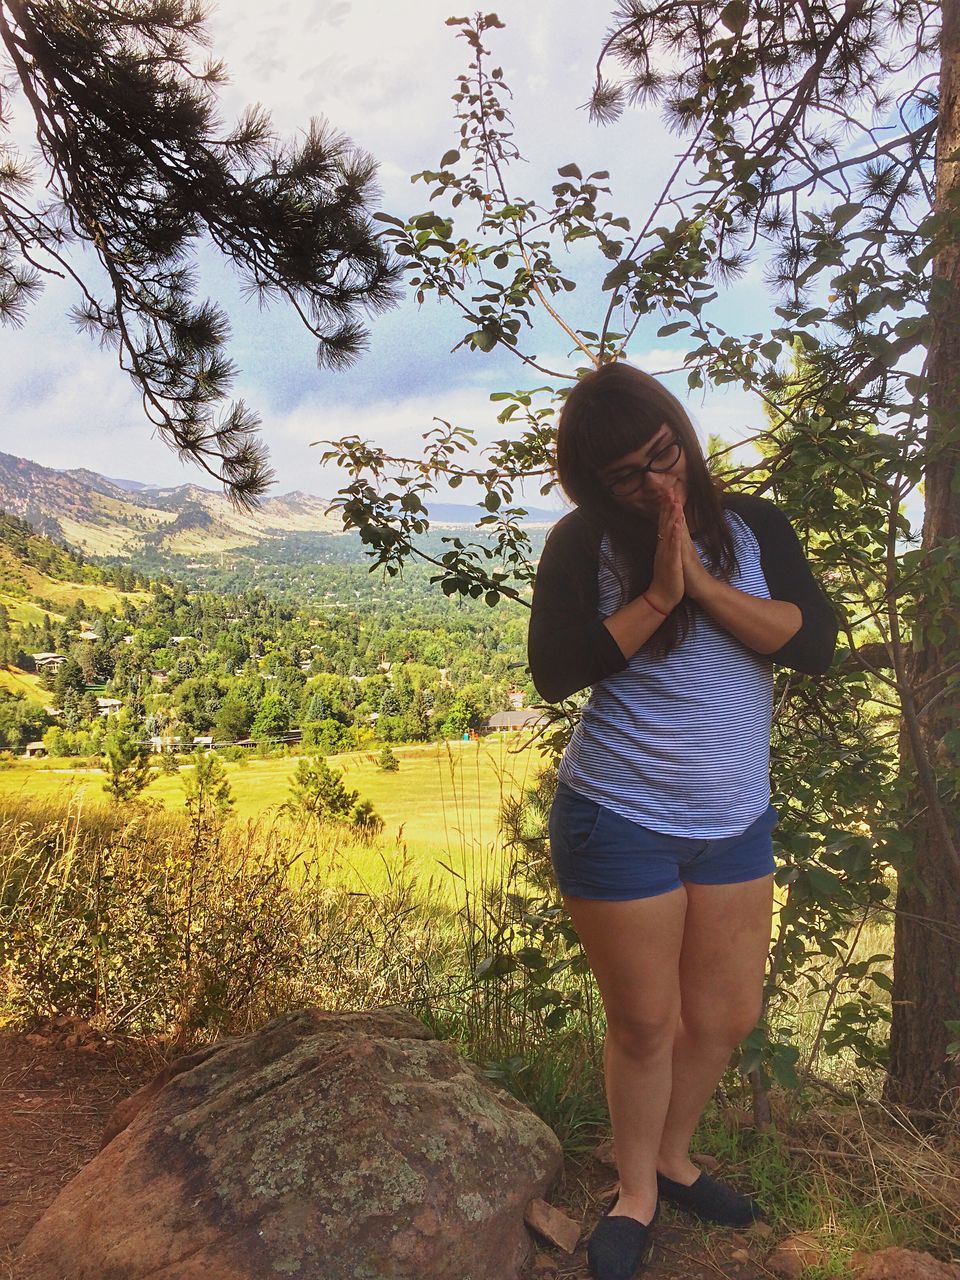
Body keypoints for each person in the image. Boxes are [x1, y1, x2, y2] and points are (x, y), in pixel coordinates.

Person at [527, 362, 836, 1280]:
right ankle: (636, 1190)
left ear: (683, 435)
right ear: (595, 485)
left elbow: (813, 641)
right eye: (630, 475)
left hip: (734, 815)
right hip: (618, 815)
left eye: (666, 455)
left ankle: (674, 1150)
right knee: (645, 1024)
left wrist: (701, 584)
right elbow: (557, 670)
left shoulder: (755, 528)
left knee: (727, 1013)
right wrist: (657, 596)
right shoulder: (584, 544)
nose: (661, 484)